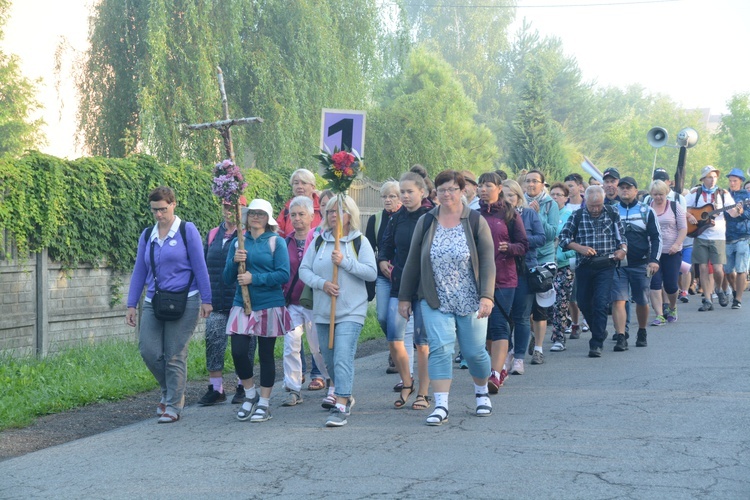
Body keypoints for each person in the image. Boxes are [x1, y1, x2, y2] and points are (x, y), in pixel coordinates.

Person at [399, 170, 496, 426]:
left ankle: (482, 392)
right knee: (440, 349)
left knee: (474, 353)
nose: (447, 194)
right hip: (435, 297)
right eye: (441, 190)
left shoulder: (475, 221)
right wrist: (405, 297)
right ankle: (441, 405)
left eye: (452, 189)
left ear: (462, 190)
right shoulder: (427, 221)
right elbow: (412, 262)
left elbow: (487, 261)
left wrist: (487, 296)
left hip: (471, 298)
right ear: (435, 193)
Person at [125, 186, 212, 423]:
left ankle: (174, 404)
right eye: (154, 210)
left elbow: (199, 266)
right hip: (155, 300)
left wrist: (207, 299)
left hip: (187, 300)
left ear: (173, 204)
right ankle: (169, 390)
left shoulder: (186, 230)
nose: (159, 215)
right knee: (149, 350)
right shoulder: (147, 235)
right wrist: (131, 304)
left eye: (163, 209)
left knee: (174, 354)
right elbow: (139, 271)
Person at [299, 195, 377, 427]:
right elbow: (304, 270)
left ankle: (341, 403)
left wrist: (345, 262)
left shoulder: (359, 242)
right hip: (323, 311)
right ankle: (345, 392)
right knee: (329, 358)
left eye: (339, 211)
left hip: (351, 310)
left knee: (343, 354)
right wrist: (322, 284)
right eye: (330, 212)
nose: (334, 215)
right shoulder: (319, 242)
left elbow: (371, 273)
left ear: (350, 215)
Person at [224, 199, 291, 423]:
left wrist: (255, 278)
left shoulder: (276, 242)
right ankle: (250, 394)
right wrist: (235, 262)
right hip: (241, 304)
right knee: (239, 351)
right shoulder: (237, 241)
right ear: (246, 216)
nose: (255, 217)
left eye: (261, 214)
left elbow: (283, 274)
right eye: (252, 213)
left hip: (268, 303)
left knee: (265, 354)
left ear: (267, 219)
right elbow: (226, 278)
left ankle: (264, 402)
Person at [379, 172, 434, 410]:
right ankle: (407, 381)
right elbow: (386, 245)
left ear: (422, 192)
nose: (405, 196)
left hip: (423, 288)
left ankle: (423, 392)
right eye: (403, 191)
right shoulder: (396, 218)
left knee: (422, 343)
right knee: (394, 338)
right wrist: (382, 260)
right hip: (399, 285)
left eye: (410, 191)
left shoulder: (432, 217)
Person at [559, 185, 628, 358]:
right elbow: (563, 238)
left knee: (601, 302)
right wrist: (579, 248)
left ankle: (596, 342)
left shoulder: (612, 213)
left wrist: (622, 250)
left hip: (607, 264)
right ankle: (599, 329)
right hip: (584, 265)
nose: (596, 209)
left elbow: (622, 238)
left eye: (599, 205)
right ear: (585, 202)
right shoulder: (578, 215)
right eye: (592, 206)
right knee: (582, 302)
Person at [477, 172, 528, 393]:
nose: (483, 189)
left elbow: (523, 244)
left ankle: (496, 374)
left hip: (504, 279)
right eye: (480, 185)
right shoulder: (472, 214)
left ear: (499, 188)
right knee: (485, 329)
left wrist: (510, 248)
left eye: (488, 185)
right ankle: (495, 368)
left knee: (499, 325)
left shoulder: (510, 213)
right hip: (478, 279)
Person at [198, 196, 249, 406]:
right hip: (217, 301)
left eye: (235, 208)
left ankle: (243, 385)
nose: (230, 212)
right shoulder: (212, 234)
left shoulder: (247, 236)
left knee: (244, 345)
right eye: (227, 208)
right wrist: (205, 298)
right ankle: (216, 387)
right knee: (213, 340)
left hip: (241, 301)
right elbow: (203, 267)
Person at [281, 196, 330, 406]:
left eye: (302, 214)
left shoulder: (320, 239)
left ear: (312, 216)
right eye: (293, 215)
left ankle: (332, 380)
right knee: (291, 343)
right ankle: (293, 389)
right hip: (292, 303)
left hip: (314, 302)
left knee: (318, 347)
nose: (297, 219)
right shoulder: (285, 242)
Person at [610, 177, 662, 351]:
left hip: (640, 264)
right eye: (622, 187)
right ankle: (621, 336)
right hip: (618, 264)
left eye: (629, 188)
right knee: (618, 300)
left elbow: (656, 238)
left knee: (641, 300)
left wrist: (654, 260)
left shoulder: (646, 211)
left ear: (636, 190)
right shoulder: (611, 210)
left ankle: (641, 330)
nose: (625, 190)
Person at [502, 179, 545, 375]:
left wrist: (520, 241)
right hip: (501, 271)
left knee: (520, 316)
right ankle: (506, 353)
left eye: (511, 195)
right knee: (502, 316)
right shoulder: (497, 216)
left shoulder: (529, 214)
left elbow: (542, 237)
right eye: (504, 195)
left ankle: (519, 357)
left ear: (519, 197)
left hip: (525, 270)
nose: (508, 199)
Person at [686, 166, 740, 311]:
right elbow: (681, 208)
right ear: (703, 179)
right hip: (700, 234)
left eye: (715, 177)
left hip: (718, 236)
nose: (712, 180)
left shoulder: (723, 194)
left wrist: (739, 209)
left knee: (717, 269)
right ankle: (707, 299)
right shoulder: (694, 193)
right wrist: (690, 216)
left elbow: (733, 213)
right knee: (703, 267)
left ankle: (719, 288)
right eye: (709, 177)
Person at [365, 181, 402, 374]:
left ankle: (397, 353)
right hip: (382, 274)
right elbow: (370, 249)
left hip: (402, 274)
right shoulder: (376, 219)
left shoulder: (406, 217)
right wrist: (380, 262)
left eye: (392, 196)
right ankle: (394, 345)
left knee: (398, 317)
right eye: (385, 196)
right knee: (382, 316)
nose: (388, 200)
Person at [524, 169, 560, 365]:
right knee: (525, 306)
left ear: (542, 184)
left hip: (544, 259)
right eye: (528, 181)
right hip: (524, 259)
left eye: (535, 181)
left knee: (540, 306)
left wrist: (538, 216)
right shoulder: (518, 203)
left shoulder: (550, 204)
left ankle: (538, 348)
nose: (531, 184)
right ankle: (530, 334)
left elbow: (551, 234)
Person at [647, 180, 687, 325]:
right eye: (655, 194)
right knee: (655, 283)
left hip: (671, 252)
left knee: (671, 285)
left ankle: (672, 306)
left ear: (666, 193)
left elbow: (683, 228)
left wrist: (676, 245)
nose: (658, 197)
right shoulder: (647, 208)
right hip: (653, 253)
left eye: (661, 194)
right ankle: (659, 315)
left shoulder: (675, 207)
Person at [549, 182, 576, 352]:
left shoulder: (570, 215)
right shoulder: (543, 214)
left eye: (559, 194)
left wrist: (564, 255)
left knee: (561, 302)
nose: (555, 197)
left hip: (563, 265)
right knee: (543, 304)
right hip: (544, 264)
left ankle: (559, 337)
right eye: (552, 194)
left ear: (566, 198)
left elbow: (576, 241)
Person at [721, 168, 750, 309]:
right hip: (726, 237)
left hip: (742, 237)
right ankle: (734, 290)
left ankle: (738, 299)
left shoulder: (747, 197)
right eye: (730, 180)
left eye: (735, 181)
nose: (732, 183)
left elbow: (748, 215)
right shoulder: (725, 195)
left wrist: (742, 212)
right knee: (727, 270)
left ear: (741, 181)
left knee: (741, 269)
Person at [277, 169, 323, 238]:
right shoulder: (287, 210)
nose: (299, 186)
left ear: (313, 187)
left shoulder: (322, 208)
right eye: (296, 183)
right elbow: (278, 235)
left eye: (304, 183)